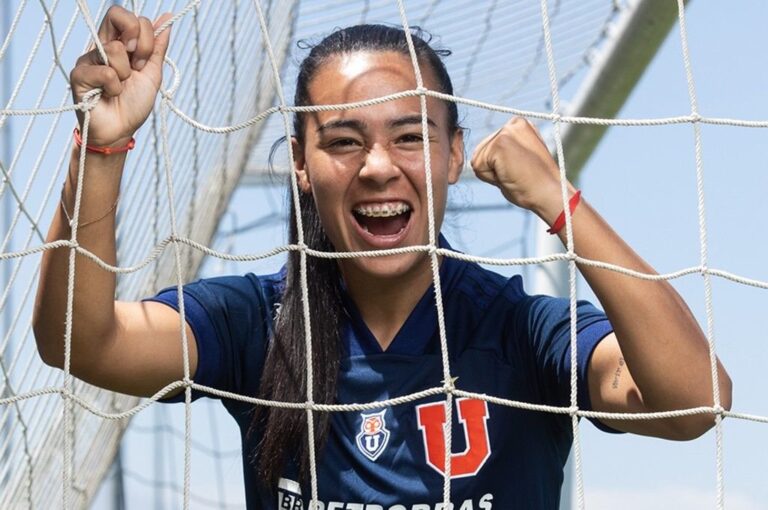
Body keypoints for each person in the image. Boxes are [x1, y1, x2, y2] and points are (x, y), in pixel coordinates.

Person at [33, 6, 732, 510]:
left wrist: (560, 203)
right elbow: (81, 343)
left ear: (454, 155)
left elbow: (695, 401)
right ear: (301, 166)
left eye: (409, 137)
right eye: (342, 141)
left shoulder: (517, 331)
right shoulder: (256, 322)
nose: (377, 168)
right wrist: (101, 146)